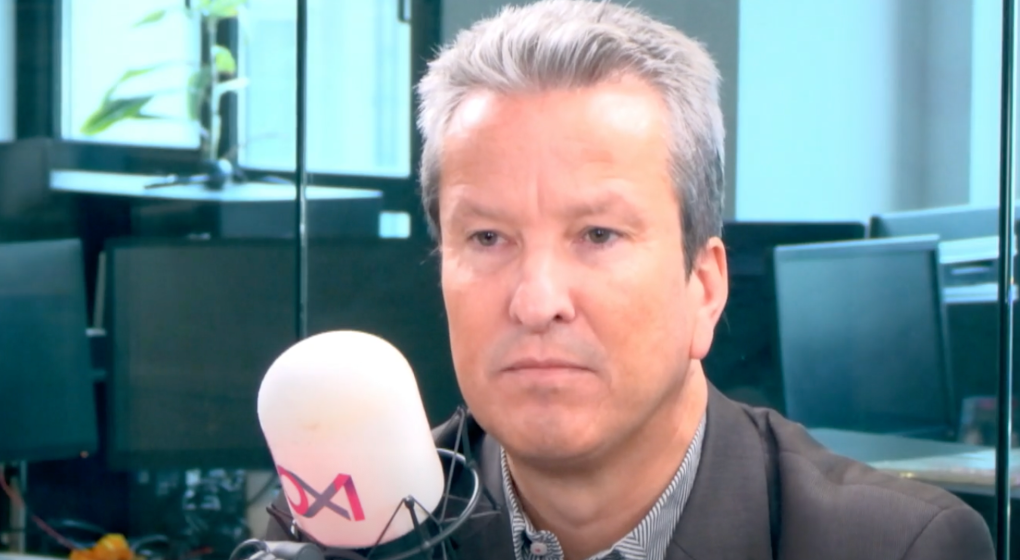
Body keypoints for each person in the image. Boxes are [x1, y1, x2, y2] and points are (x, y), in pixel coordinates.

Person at [267, 1, 995, 558]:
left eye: (598, 235)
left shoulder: (892, 547)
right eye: (488, 238)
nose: (537, 302)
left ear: (704, 287)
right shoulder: (351, 529)